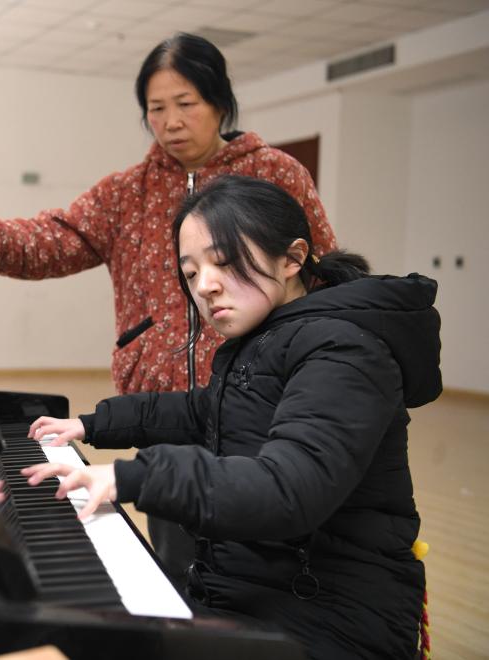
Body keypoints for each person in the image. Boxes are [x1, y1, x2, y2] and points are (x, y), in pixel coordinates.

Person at [0, 30, 341, 592]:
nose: (170, 122)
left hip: (260, 401)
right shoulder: (127, 191)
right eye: (156, 109)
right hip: (164, 415)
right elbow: (53, 240)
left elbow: (321, 270)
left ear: (220, 102)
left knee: (263, 557)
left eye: (186, 104)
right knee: (180, 564)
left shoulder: (275, 173)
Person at [22, 175, 440, 660]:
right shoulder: (267, 340)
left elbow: (290, 488)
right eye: (191, 272)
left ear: (293, 258)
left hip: (328, 618)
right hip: (253, 589)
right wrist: (91, 425)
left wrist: (132, 477)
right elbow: (201, 410)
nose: (205, 286)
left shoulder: (344, 350)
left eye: (223, 261)